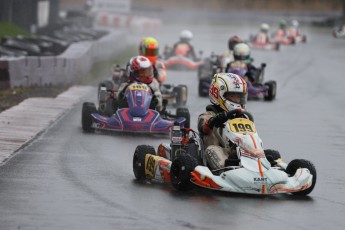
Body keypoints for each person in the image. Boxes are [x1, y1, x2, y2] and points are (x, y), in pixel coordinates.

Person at [198, 72, 248, 170]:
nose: (237, 100)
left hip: (239, 152)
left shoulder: (242, 117)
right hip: (220, 152)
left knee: (270, 154)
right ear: (218, 94)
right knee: (211, 150)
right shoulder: (208, 115)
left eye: (239, 97)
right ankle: (227, 169)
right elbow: (203, 126)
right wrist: (217, 119)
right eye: (233, 96)